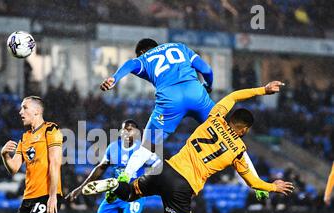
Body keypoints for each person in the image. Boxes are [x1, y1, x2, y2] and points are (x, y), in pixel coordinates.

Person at [82, 81, 294, 213]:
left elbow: (234, 96)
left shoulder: (214, 117)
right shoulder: (239, 150)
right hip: (182, 187)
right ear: (244, 129)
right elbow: (252, 181)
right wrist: (272, 186)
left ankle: (117, 185)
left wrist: (263, 90)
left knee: (131, 192)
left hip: (164, 169)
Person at [100, 38, 268, 202]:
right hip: (196, 95)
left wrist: (114, 78)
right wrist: (208, 86)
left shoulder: (144, 58)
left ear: (142, 52)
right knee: (230, 137)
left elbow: (130, 64)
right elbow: (207, 69)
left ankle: (124, 178)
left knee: (147, 147)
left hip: (170, 101)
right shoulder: (180, 47)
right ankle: (258, 185)